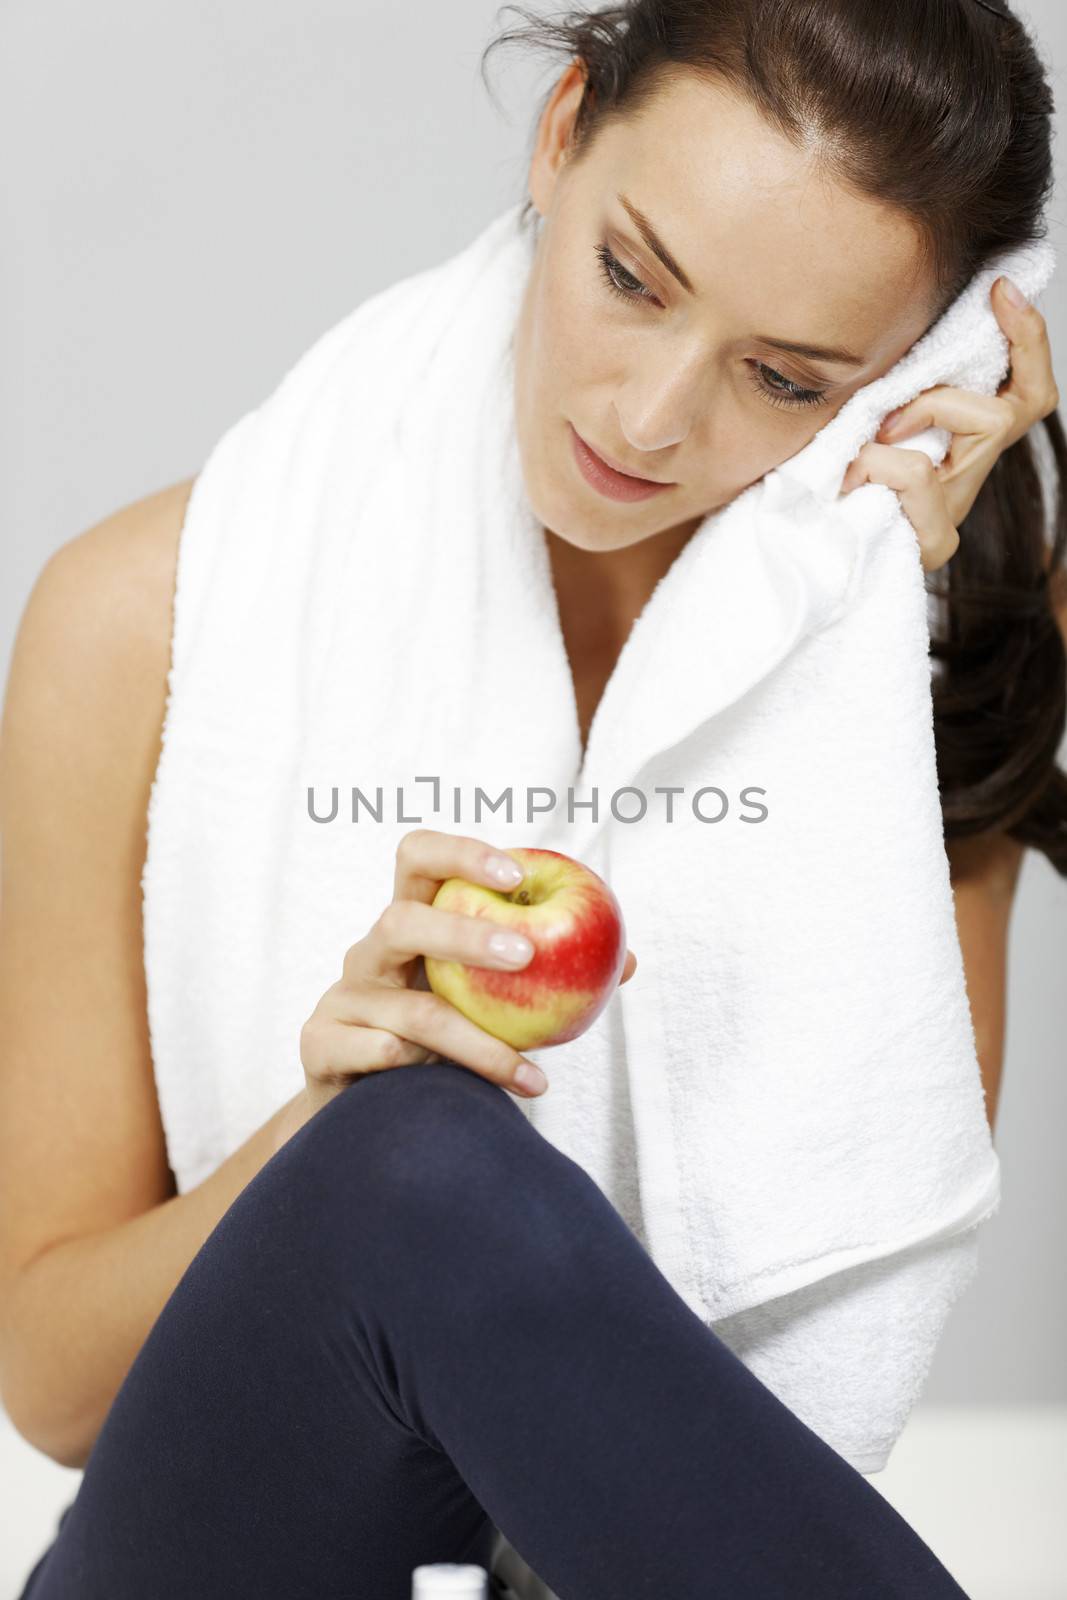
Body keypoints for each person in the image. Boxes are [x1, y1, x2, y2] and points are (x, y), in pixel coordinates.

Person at [2, 0, 1065, 1595]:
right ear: (561, 132)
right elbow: (59, 1386)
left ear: (910, 371)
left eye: (784, 377)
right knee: (414, 1157)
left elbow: (816, 1297)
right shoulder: (134, 622)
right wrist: (336, 1119)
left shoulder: (902, 659)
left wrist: (850, 633)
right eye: (632, 277)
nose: (649, 417)